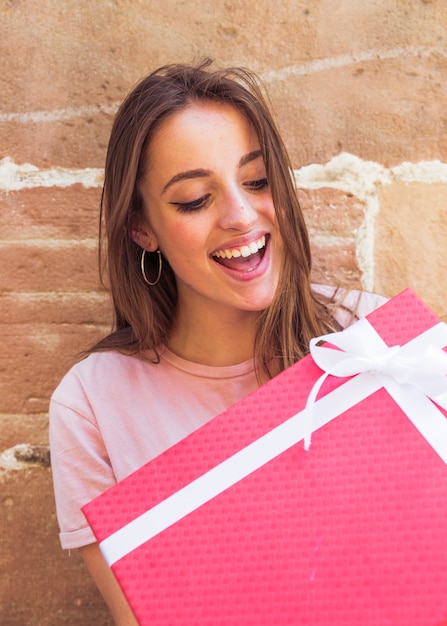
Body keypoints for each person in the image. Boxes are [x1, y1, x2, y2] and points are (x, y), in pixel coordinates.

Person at [49, 59, 386, 625]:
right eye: (194, 199)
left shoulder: (375, 340)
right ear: (142, 227)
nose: (239, 215)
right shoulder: (93, 406)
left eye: (256, 181)